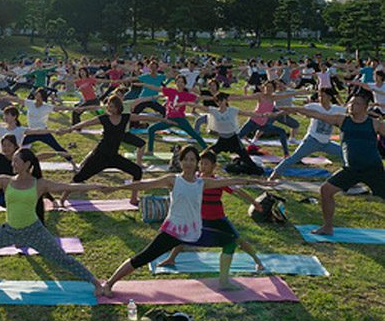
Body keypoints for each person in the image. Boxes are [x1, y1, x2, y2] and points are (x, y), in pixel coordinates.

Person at [101, 145, 262, 295]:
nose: (189, 163)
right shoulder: (173, 180)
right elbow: (144, 185)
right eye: (185, 159)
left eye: (192, 159)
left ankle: (223, 282)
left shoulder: (202, 182)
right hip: (172, 232)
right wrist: (116, 188)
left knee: (230, 241)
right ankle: (109, 284)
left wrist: (257, 182)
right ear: (180, 161)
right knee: (143, 257)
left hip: (195, 232)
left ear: (197, 163)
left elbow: (231, 181)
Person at [0, 147, 107, 297]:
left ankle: (96, 283)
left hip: (34, 232)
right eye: (13, 161)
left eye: (16, 161)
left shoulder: (40, 184)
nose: (12, 164)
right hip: (9, 231)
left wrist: (96, 187)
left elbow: (67, 186)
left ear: (27, 164)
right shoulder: (6, 181)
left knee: (62, 259)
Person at [277, 91, 385, 235]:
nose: (352, 106)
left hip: (373, 169)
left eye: (356, 103)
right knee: (325, 190)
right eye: (351, 103)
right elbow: (316, 114)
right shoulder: (342, 120)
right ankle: (327, 227)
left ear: (366, 107)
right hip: (351, 170)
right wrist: (294, 109)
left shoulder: (375, 124)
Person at [157, 149, 265, 271]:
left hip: (217, 218)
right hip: (198, 217)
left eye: (206, 164)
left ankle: (257, 260)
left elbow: (238, 190)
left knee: (237, 239)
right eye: (201, 163)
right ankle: (171, 259)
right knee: (183, 236)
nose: (202, 167)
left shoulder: (218, 181)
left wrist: (254, 202)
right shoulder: (195, 178)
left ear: (214, 166)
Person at [59, 95, 164, 206]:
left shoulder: (125, 118)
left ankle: (133, 198)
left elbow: (144, 118)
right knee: (79, 177)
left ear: (119, 107)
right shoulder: (104, 118)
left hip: (114, 156)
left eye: (113, 106)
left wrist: (161, 119)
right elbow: (86, 123)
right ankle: (63, 198)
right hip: (100, 155)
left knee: (137, 171)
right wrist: (68, 129)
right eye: (109, 106)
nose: (110, 108)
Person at [268, 88, 344, 180]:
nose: (320, 98)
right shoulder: (314, 107)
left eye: (323, 96)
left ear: (330, 97)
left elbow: (352, 111)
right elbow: (297, 110)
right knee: (294, 158)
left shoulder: (336, 109)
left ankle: (344, 176)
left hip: (326, 143)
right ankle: (274, 174)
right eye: (319, 96)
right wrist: (278, 114)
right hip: (312, 141)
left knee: (345, 154)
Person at [143, 74, 208, 152]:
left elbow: (199, 98)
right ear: (175, 83)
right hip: (169, 119)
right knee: (151, 129)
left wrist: (213, 98)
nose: (180, 83)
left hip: (181, 120)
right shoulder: (171, 91)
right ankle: (150, 151)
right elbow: (157, 89)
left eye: (182, 82)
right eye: (178, 82)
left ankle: (207, 149)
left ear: (184, 84)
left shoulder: (186, 94)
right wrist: (144, 84)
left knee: (195, 135)